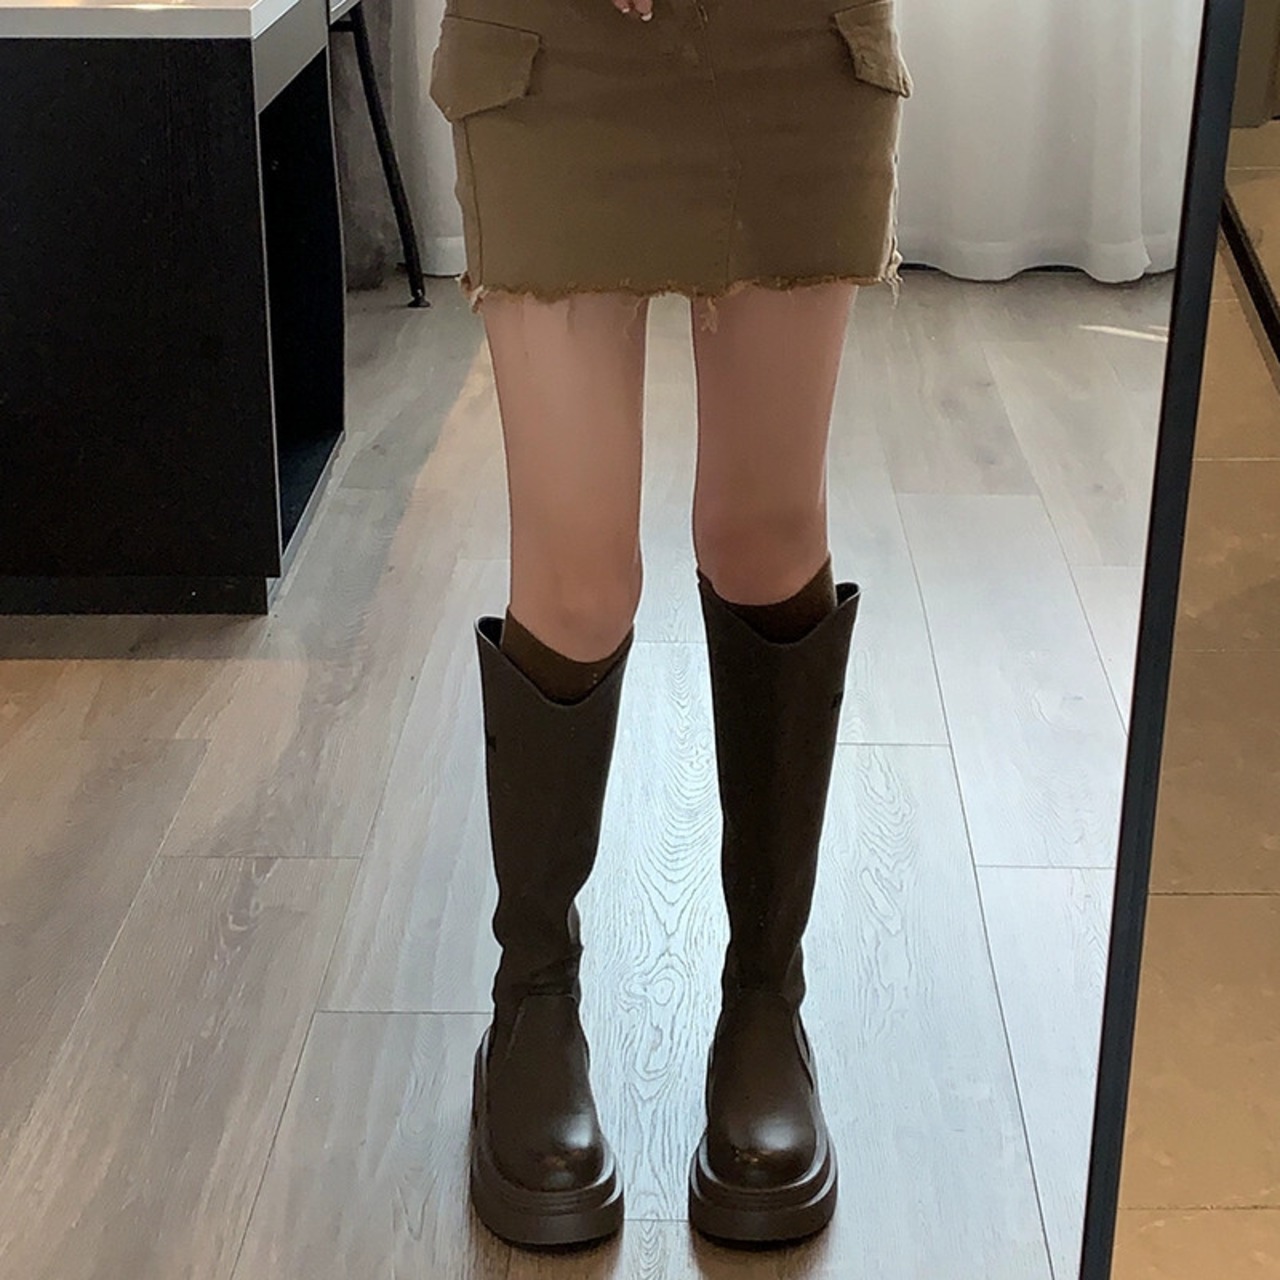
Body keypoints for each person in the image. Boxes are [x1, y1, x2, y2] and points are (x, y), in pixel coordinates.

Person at [427, 0, 911, 1251]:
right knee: (577, 574)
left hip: (792, 39)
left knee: (764, 533)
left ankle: (765, 995)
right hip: (551, 47)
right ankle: (533, 997)